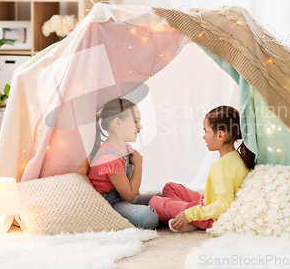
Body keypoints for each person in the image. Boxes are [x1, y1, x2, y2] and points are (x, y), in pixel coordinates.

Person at [149, 105, 255, 232]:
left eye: (206, 131)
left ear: (221, 135)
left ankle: (191, 220)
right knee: (169, 188)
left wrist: (190, 213)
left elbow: (224, 205)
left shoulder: (222, 166)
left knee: (155, 202)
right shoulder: (237, 157)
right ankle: (186, 217)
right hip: (207, 203)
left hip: (213, 217)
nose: (204, 136)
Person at [83, 97, 159, 229]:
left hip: (123, 200)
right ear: (117, 123)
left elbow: (132, 191)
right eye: (135, 121)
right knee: (148, 216)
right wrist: (139, 165)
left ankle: (167, 208)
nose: (140, 126)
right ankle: (164, 212)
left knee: (162, 195)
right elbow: (129, 195)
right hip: (111, 204)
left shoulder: (124, 148)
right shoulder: (109, 157)